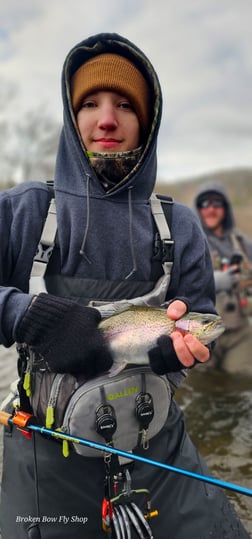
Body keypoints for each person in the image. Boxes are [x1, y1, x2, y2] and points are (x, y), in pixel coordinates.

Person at [0, 32, 250, 539]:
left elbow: (198, 313)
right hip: (44, 449)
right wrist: (26, 314)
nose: (107, 118)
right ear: (72, 119)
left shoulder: (180, 227)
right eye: (90, 103)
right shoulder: (23, 211)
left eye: (124, 105)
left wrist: (176, 360)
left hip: (158, 444)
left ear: (147, 122)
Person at [195, 183, 252, 375]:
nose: (210, 208)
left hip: (240, 331)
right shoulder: (190, 240)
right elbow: (175, 284)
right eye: (204, 203)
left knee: (240, 381)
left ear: (225, 208)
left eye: (217, 203)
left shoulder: (242, 242)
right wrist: (214, 281)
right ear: (199, 209)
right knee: (201, 384)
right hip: (203, 333)